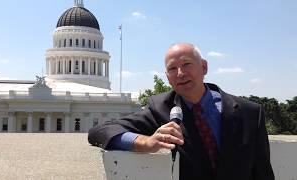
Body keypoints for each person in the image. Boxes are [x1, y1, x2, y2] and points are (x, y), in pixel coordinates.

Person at [88, 43, 274, 180]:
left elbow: (263, 172)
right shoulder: (161, 109)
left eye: (186, 64)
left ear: (204, 67)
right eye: (172, 69)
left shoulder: (250, 113)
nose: (180, 73)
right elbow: (99, 131)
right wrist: (144, 142)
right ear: (168, 79)